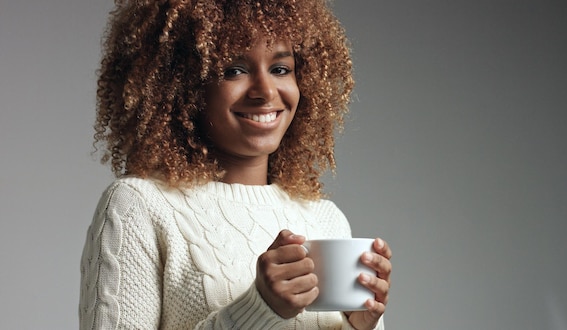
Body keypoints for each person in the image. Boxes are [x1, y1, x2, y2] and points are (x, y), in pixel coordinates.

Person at [79, 0, 392, 329]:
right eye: (234, 70)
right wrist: (259, 308)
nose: (265, 91)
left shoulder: (326, 219)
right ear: (182, 83)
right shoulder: (138, 207)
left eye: (280, 69)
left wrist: (361, 326)